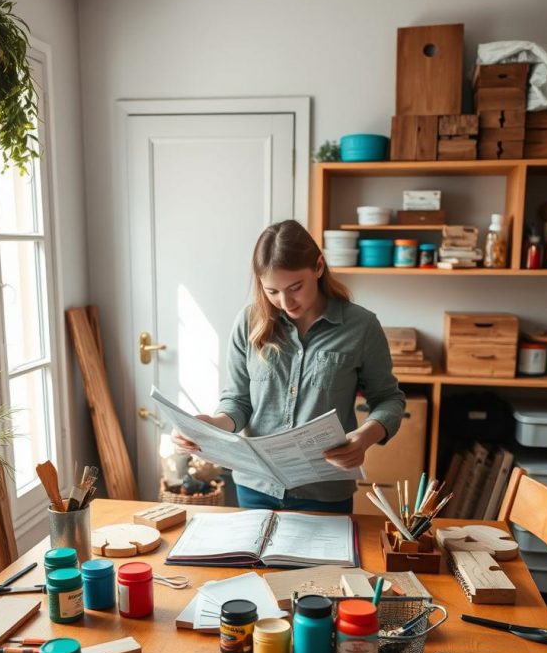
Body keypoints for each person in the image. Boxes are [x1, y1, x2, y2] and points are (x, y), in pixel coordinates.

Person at [173, 219, 406, 513]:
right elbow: (238, 401)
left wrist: (365, 437)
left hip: (325, 492)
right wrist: (212, 425)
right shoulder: (248, 323)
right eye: (272, 291)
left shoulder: (361, 326)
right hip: (255, 488)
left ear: (318, 268)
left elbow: (389, 399)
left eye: (295, 287)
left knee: (322, 564)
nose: (286, 301)